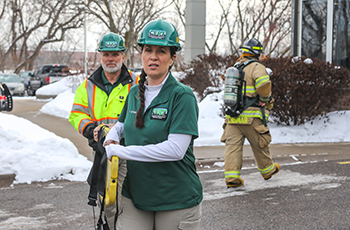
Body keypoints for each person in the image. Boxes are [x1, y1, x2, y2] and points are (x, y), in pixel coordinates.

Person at [103, 19, 203, 230]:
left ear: (173, 57)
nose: (153, 57)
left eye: (162, 51)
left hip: (176, 198)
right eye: (148, 50)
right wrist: (112, 134)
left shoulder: (182, 96)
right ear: (142, 54)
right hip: (137, 194)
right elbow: (122, 124)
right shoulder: (133, 93)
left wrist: (123, 152)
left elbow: (175, 150)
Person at [69, 32, 138, 229]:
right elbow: (76, 115)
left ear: (123, 56)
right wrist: (91, 130)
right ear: (100, 56)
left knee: (130, 199)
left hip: (131, 150)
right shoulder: (88, 86)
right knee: (106, 198)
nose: (110, 59)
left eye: (115, 54)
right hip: (102, 153)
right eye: (106, 54)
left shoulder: (137, 82)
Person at [221, 38, 280, 188]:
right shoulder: (256, 67)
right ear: (257, 54)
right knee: (260, 144)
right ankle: (267, 170)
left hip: (232, 118)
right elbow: (263, 85)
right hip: (251, 117)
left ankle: (232, 177)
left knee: (232, 148)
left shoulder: (235, 67)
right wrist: (265, 99)